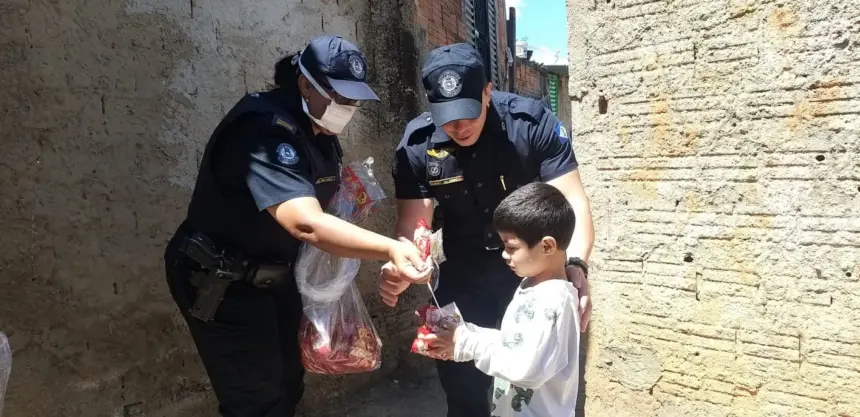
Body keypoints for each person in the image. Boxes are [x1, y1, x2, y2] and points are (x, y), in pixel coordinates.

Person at [163, 35, 429, 417]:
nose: (347, 108)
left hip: (273, 277)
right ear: (305, 84)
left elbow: (321, 201)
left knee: (288, 385)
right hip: (220, 279)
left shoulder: (319, 133)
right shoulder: (264, 130)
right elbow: (304, 222)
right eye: (338, 96)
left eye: (354, 100)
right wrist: (389, 248)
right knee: (257, 401)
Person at [380, 43, 595, 417]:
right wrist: (409, 261)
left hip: (532, 276)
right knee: (462, 388)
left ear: (487, 91)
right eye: (446, 117)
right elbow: (415, 223)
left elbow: (570, 203)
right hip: (463, 276)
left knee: (536, 386)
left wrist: (574, 265)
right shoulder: (418, 144)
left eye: (468, 112)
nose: (459, 126)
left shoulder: (530, 125)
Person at [423, 182, 582, 417]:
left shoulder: (553, 301)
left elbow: (526, 369)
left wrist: (467, 343)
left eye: (511, 247)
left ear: (547, 245)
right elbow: (514, 341)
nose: (504, 255)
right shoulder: (533, 286)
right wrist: (464, 332)